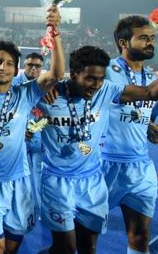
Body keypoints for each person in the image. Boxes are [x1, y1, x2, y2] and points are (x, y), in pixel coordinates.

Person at [38, 45, 158, 254]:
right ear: (74, 74)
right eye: (90, 78)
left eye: (101, 78)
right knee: (66, 249)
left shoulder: (106, 90)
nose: (96, 84)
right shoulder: (49, 95)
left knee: (88, 247)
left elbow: (148, 92)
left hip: (92, 182)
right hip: (57, 181)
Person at [0, 7, 64, 254]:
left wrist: (55, 33)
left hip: (19, 181)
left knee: (11, 247)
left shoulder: (26, 93)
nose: (3, 67)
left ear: (16, 69)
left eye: (9, 63)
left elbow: (56, 74)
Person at [102, 16, 157, 254]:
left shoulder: (152, 77)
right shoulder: (106, 71)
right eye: (143, 37)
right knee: (77, 238)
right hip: (102, 166)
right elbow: (144, 94)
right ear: (124, 42)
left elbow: (141, 112)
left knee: (140, 236)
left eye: (152, 38)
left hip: (140, 168)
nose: (150, 43)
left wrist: (149, 127)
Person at [12, 52, 45, 213]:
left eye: (37, 66)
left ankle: (38, 209)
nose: (33, 68)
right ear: (23, 66)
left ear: (42, 68)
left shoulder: (47, 86)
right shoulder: (14, 84)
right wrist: (21, 129)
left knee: (37, 176)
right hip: (19, 139)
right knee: (19, 176)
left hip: (38, 139)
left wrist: (36, 127)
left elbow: (50, 114)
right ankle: (19, 208)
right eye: (30, 65)